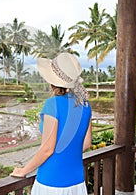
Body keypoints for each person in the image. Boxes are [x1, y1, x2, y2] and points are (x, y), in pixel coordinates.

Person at [10, 52, 92, 195]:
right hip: (76, 181)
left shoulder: (53, 104)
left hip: (51, 182)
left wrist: (23, 170)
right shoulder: (85, 104)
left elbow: (48, 148)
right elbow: (86, 143)